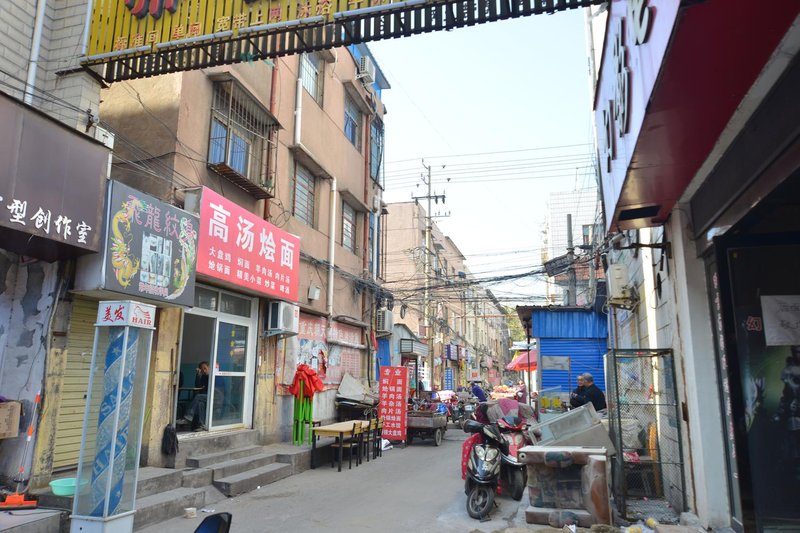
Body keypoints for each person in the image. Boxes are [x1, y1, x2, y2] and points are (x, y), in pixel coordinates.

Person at [182, 361, 210, 429]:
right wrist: (198, 375)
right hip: (205, 397)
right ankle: (201, 424)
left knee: (198, 397)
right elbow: (198, 386)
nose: (204, 371)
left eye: (205, 368)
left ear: (209, 367)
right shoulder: (203, 376)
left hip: (214, 396)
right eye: (202, 369)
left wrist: (207, 375)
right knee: (200, 403)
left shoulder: (212, 376)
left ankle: (188, 416)